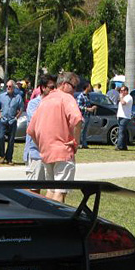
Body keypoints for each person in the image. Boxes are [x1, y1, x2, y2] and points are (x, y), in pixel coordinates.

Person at [27, 71, 83, 203]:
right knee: (60, 192)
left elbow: (31, 130)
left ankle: (48, 219)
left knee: (51, 190)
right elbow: (77, 119)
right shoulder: (66, 98)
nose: (75, 91)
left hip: (46, 153)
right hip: (63, 151)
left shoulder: (44, 100)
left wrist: (41, 146)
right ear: (64, 84)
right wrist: (76, 142)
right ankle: (58, 222)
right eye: (74, 87)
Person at [0, 79, 25, 164]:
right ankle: (2, 155)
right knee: (1, 137)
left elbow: (21, 108)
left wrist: (16, 118)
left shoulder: (18, 97)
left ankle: (9, 158)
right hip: (3, 120)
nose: (8, 88)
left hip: (12, 121)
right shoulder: (1, 96)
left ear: (13, 87)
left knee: (11, 140)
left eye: (10, 86)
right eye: (7, 86)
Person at [76, 80, 96, 148]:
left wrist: (92, 107)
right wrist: (87, 109)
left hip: (87, 115)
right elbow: (78, 106)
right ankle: (79, 144)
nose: (91, 88)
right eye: (90, 87)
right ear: (86, 87)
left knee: (85, 131)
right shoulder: (81, 96)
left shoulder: (88, 95)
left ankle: (84, 144)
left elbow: (87, 104)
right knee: (81, 130)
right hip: (82, 116)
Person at [115, 84, 133, 151]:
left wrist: (121, 97)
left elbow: (123, 103)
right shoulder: (123, 97)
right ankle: (124, 145)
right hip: (120, 116)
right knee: (123, 132)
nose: (121, 92)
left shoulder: (128, 97)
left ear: (126, 91)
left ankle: (119, 146)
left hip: (125, 117)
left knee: (121, 132)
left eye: (122, 91)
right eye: (120, 91)